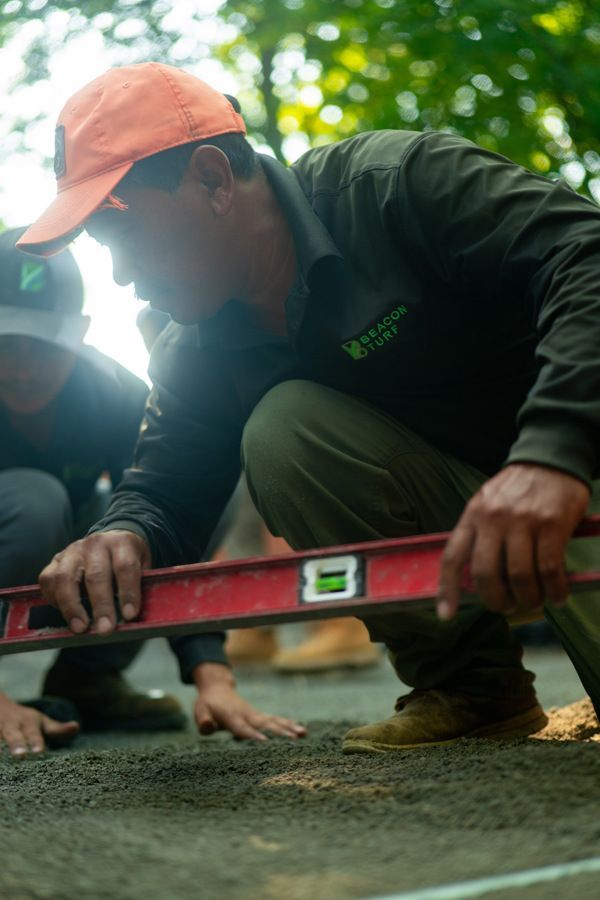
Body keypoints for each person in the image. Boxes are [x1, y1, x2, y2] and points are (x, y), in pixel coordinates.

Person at [17, 61, 600, 754]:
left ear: (211, 178)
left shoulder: (397, 184)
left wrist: (552, 454)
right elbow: (166, 491)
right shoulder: (195, 343)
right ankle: (472, 689)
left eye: (125, 236)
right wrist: (121, 535)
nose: (120, 276)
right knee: (284, 430)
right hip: (482, 521)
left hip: (575, 480)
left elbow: (587, 257)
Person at [0, 228, 305, 756]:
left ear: (79, 334)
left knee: (176, 500)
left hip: (57, 582)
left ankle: (87, 678)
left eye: (45, 344)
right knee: (35, 500)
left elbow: (171, 523)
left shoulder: (116, 394)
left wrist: (213, 676)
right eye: (7, 343)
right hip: (26, 522)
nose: (25, 369)